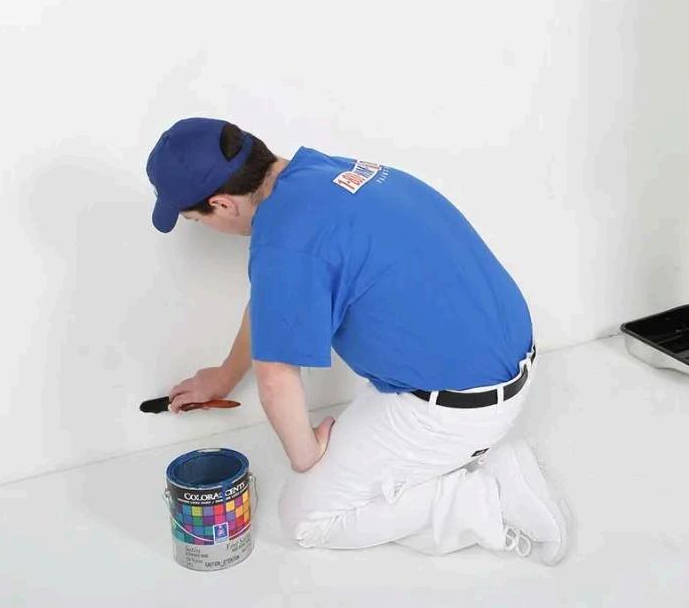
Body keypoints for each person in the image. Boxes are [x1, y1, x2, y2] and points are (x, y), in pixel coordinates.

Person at [146, 118, 570, 562]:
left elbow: (276, 380)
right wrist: (224, 376)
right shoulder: (323, 172)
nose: (202, 227)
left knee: (305, 520)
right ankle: (475, 466)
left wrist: (306, 455)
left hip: (458, 407)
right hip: (503, 361)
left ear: (221, 204)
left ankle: (493, 499)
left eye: (195, 219)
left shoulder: (285, 241)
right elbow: (272, 302)